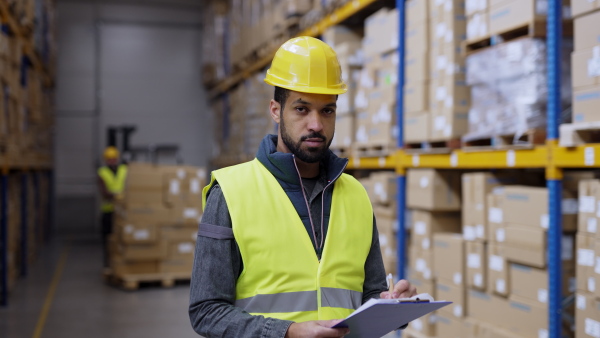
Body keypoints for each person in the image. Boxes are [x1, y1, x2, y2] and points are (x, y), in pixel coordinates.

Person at [189, 36, 417, 338]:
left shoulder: (355, 195)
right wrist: (287, 331)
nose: (316, 125)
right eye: (301, 109)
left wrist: (389, 305)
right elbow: (206, 311)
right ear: (275, 110)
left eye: (327, 110)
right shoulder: (231, 193)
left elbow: (367, 293)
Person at [97, 146, 127, 267]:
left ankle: (121, 263)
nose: (112, 161)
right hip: (109, 211)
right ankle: (109, 264)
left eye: (114, 158)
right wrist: (117, 195)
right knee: (108, 239)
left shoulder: (125, 169)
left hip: (123, 211)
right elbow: (104, 192)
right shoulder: (102, 172)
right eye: (109, 159)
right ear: (105, 160)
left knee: (122, 238)